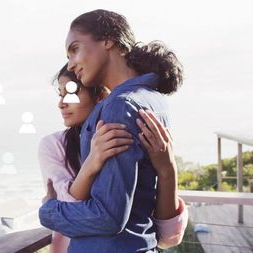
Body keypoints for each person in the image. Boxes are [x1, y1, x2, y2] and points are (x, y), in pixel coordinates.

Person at [39, 9, 184, 252]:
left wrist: (48, 211)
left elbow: (107, 216)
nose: (71, 63)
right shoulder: (154, 98)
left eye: (75, 49)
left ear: (108, 39)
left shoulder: (120, 105)